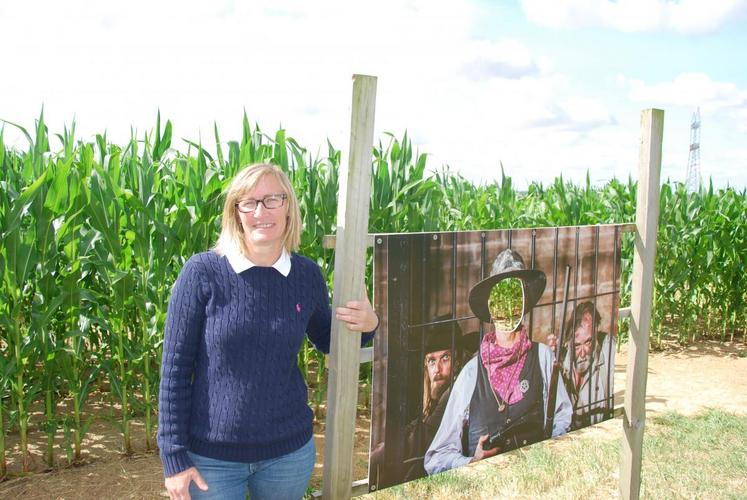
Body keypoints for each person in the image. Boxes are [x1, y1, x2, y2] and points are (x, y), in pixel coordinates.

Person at [157, 163, 379, 500]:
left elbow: (329, 340)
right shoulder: (202, 272)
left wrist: (367, 326)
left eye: (272, 200)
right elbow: (174, 372)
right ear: (237, 213)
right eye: (249, 202)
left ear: (288, 207)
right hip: (212, 459)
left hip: (287, 455)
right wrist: (173, 457)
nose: (261, 211)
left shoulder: (306, 275)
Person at [424, 249, 571, 475]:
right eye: (501, 296)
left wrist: (549, 450)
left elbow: (562, 418)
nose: (508, 304)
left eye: (516, 295)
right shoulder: (471, 373)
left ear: (525, 303)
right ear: (490, 307)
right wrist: (471, 462)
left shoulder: (543, 358)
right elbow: (436, 457)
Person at [372, 318, 477, 485]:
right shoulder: (434, 394)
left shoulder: (454, 391)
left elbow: (422, 439)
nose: (437, 369)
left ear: (457, 361)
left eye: (445, 358)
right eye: (431, 361)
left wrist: (382, 451)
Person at [549, 301, 614, 429]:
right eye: (577, 345)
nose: (583, 353)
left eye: (588, 342)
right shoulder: (561, 362)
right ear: (570, 341)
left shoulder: (607, 352)